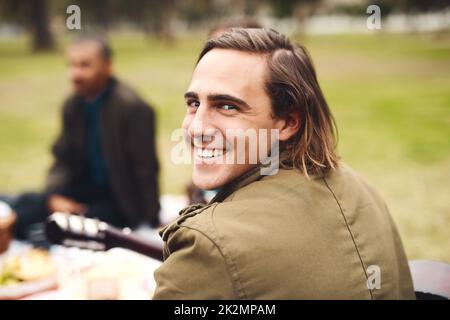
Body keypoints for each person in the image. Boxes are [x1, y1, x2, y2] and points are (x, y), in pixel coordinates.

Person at [152, 28, 415, 299]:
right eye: (194, 103)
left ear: (288, 122)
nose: (197, 129)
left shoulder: (208, 244)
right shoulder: (362, 189)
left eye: (227, 106)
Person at [7, 35, 160, 239]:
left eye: (85, 65)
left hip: (118, 199)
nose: (75, 74)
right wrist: (53, 196)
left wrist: (150, 219)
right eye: (72, 65)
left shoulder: (132, 108)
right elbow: (63, 157)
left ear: (107, 67)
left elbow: (146, 168)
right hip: (83, 187)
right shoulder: (73, 105)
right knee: (28, 203)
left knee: (69, 226)